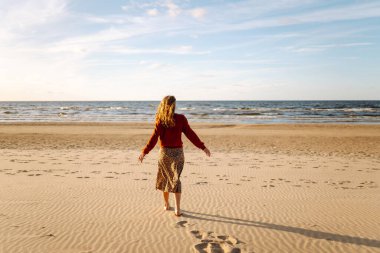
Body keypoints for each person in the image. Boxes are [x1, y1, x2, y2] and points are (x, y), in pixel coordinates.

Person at [138, 95, 211, 217]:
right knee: (176, 179)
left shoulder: (161, 120)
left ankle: (166, 204)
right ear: (174, 105)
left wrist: (144, 152)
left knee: (165, 178)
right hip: (178, 153)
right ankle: (177, 209)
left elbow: (154, 139)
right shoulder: (181, 118)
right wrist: (203, 147)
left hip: (164, 153)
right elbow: (191, 134)